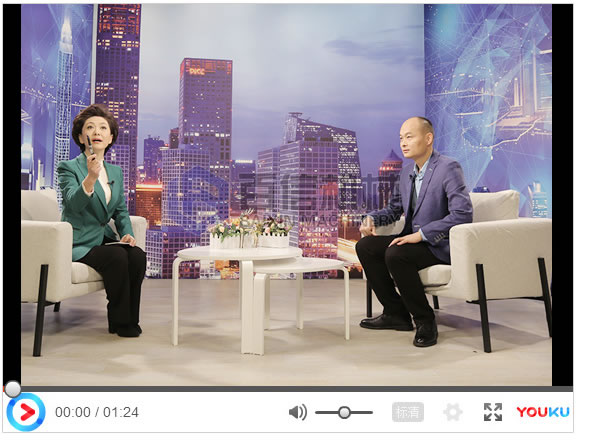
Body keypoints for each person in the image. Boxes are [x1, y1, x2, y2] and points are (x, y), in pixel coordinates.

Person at [356, 116, 473, 347]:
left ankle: (425, 321)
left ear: (428, 138)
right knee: (365, 246)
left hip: (438, 245)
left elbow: (462, 214)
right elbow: (393, 210)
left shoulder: (448, 168)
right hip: (411, 241)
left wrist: (421, 235)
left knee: (396, 253)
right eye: (401, 138)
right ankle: (396, 313)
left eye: (409, 137)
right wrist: (371, 218)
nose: (403, 143)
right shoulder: (406, 172)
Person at [58, 103, 146, 338]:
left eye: (103, 128)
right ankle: (120, 321)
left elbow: (121, 211)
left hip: (102, 239)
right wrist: (90, 178)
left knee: (137, 255)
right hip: (79, 242)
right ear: (80, 137)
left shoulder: (115, 171)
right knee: (116, 256)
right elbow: (72, 204)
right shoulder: (68, 168)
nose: (97, 131)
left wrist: (127, 234)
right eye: (90, 127)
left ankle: (131, 319)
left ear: (110, 138)